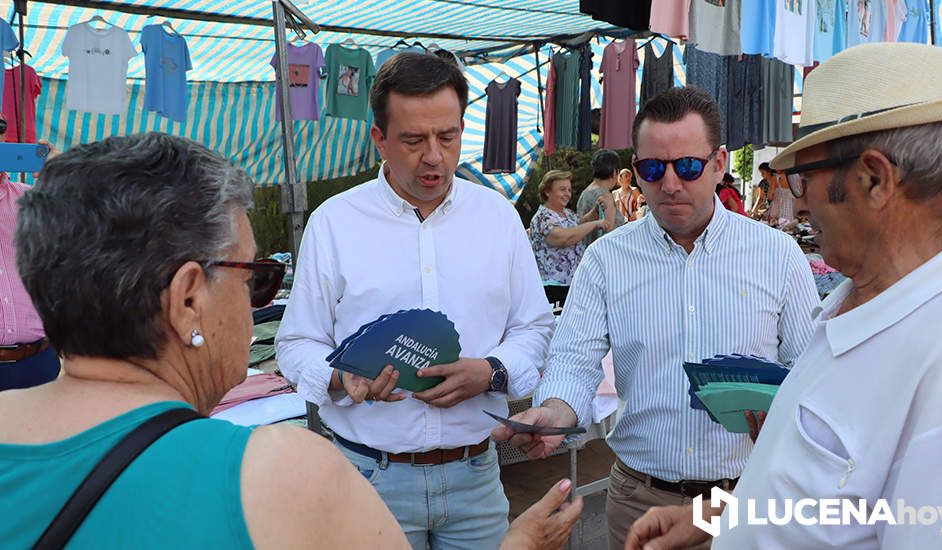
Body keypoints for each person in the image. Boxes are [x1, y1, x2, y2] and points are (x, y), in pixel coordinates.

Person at [0, 132, 581, 549]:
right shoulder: (285, 475)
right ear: (186, 301)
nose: (258, 304)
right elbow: (301, 346)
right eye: (258, 277)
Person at [626, 42, 942, 549]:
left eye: (802, 178)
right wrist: (716, 517)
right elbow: (840, 501)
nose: (801, 201)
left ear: (873, 179)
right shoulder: (868, 300)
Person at [493, 86, 819, 550]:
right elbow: (574, 360)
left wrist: (784, 412)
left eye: (688, 166)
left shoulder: (778, 255)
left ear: (720, 162)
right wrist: (554, 412)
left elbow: (811, 372)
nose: (669, 184)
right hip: (638, 502)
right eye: (652, 169)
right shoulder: (607, 258)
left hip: (746, 499)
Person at [275, 53, 557, 550]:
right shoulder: (335, 223)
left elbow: (534, 329)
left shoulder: (497, 217)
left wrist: (490, 371)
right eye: (413, 140)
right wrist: (342, 377)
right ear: (378, 138)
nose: (434, 156)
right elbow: (297, 341)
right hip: (368, 477)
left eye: (448, 137)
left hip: (476, 478)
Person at [0, 113, 61, 391]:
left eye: (0, 126)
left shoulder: (32, 200)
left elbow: (91, 238)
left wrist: (63, 178)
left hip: (38, 361)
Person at [530, 169, 611, 285]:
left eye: (569, 190)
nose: (567, 194)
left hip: (574, 285)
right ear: (547, 191)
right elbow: (564, 238)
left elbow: (579, 225)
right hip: (554, 289)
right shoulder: (542, 218)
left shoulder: (567, 213)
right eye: (562, 189)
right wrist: (596, 224)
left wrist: (595, 210)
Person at [576, 149, 626, 247]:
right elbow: (609, 232)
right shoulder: (605, 195)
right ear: (614, 172)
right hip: (603, 254)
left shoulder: (586, 192)